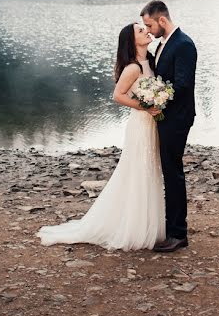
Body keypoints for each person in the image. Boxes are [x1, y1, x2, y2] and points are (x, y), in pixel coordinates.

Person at [37, 22, 165, 251]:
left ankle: (148, 224)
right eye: (140, 30)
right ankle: (133, 228)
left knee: (149, 171)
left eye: (145, 28)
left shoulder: (150, 62)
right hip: (140, 126)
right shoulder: (133, 68)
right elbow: (117, 96)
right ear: (131, 40)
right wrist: (145, 107)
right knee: (137, 173)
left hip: (151, 125)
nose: (146, 30)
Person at [140, 0, 197, 253]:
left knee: (173, 173)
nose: (149, 30)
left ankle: (178, 233)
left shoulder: (183, 45)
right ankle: (170, 226)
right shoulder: (164, 44)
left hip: (177, 118)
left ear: (162, 20)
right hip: (167, 117)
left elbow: (182, 85)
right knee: (169, 171)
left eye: (150, 25)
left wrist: (155, 98)